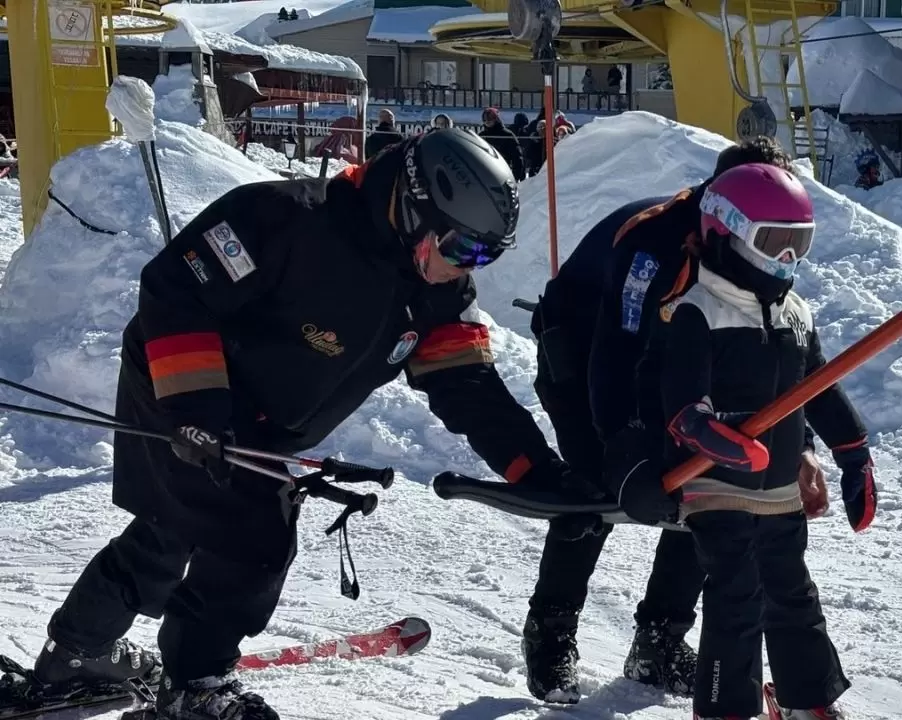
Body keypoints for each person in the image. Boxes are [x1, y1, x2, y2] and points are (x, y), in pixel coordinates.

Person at [28, 129, 581, 720]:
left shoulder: (438, 292)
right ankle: (194, 685)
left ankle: (77, 655)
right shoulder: (283, 219)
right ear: (416, 210)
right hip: (182, 385)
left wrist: (535, 471)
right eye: (463, 249)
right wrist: (195, 409)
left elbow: (467, 385)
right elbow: (176, 290)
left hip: (264, 420)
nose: (468, 268)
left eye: (486, 256)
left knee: (174, 528)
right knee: (254, 537)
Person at [523, 136, 831, 703]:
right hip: (583, 350)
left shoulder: (761, 246)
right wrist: (624, 452)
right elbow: (615, 354)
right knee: (593, 489)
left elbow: (772, 366)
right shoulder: (655, 242)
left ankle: (659, 641)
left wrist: (802, 445)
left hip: (673, 360)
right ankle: (551, 632)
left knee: (710, 485)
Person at [625, 162, 875, 720]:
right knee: (737, 592)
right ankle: (725, 708)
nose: (787, 258)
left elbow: (819, 388)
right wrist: (713, 437)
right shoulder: (697, 309)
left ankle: (807, 701)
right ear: (726, 232)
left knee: (792, 591)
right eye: (773, 242)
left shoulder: (795, 313)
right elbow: (682, 405)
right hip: (715, 482)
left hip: (778, 485)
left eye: (798, 244)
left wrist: (852, 452)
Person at [478, 107, 527, 181]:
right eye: (485, 120)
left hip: (503, 173)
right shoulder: (482, 136)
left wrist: (515, 177)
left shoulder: (507, 135)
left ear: (496, 119)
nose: (487, 121)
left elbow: (517, 157)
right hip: (485, 174)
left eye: (490, 119)